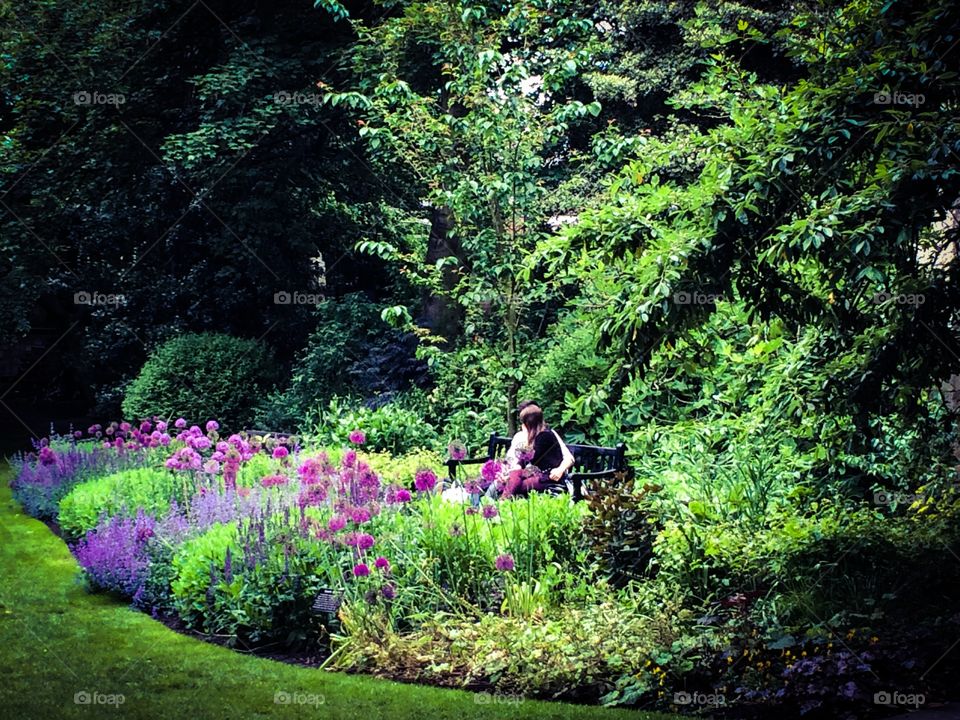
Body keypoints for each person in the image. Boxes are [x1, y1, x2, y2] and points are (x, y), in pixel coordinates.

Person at [502, 403, 575, 497]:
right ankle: (503, 500)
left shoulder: (545, 436)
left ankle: (503, 501)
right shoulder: (534, 437)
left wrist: (526, 437)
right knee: (515, 475)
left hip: (549, 477)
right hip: (538, 474)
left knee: (517, 485)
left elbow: (531, 459)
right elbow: (521, 462)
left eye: (523, 423)